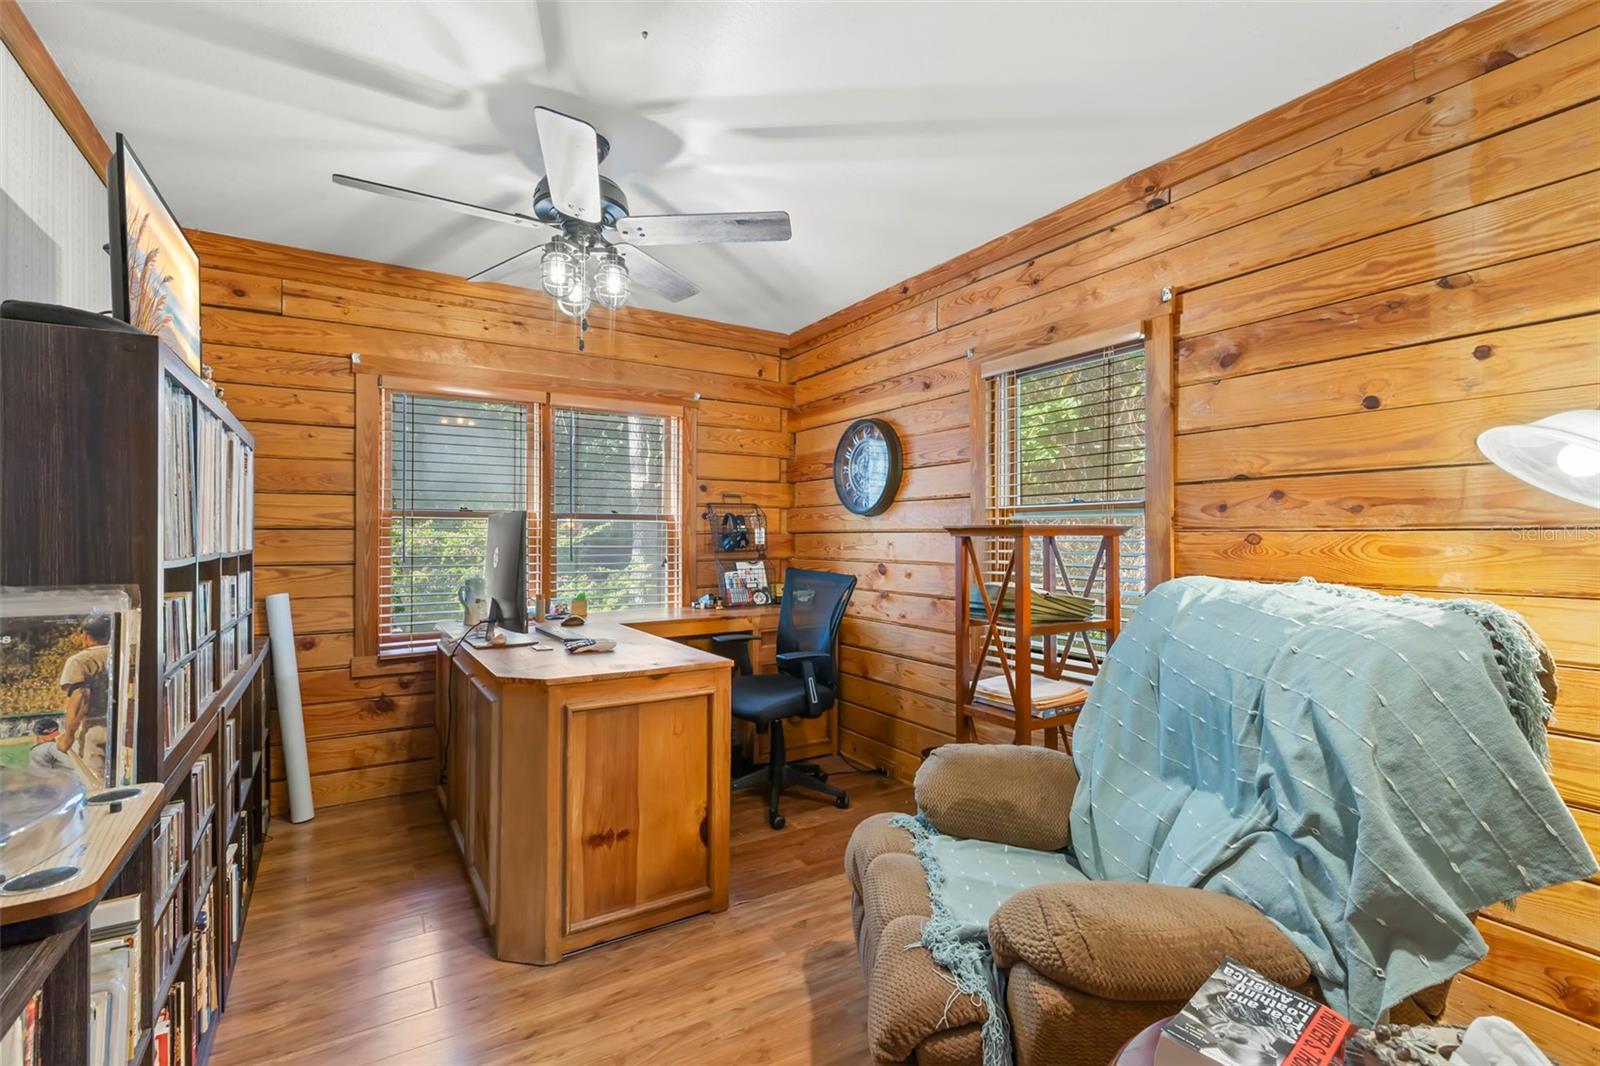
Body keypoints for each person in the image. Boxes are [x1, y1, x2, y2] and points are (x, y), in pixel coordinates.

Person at [57, 614, 112, 781]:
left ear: (86, 635)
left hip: (95, 727)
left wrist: (68, 737)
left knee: (94, 783)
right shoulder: (124, 654)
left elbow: (81, 701)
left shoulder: (80, 660)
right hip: (124, 725)